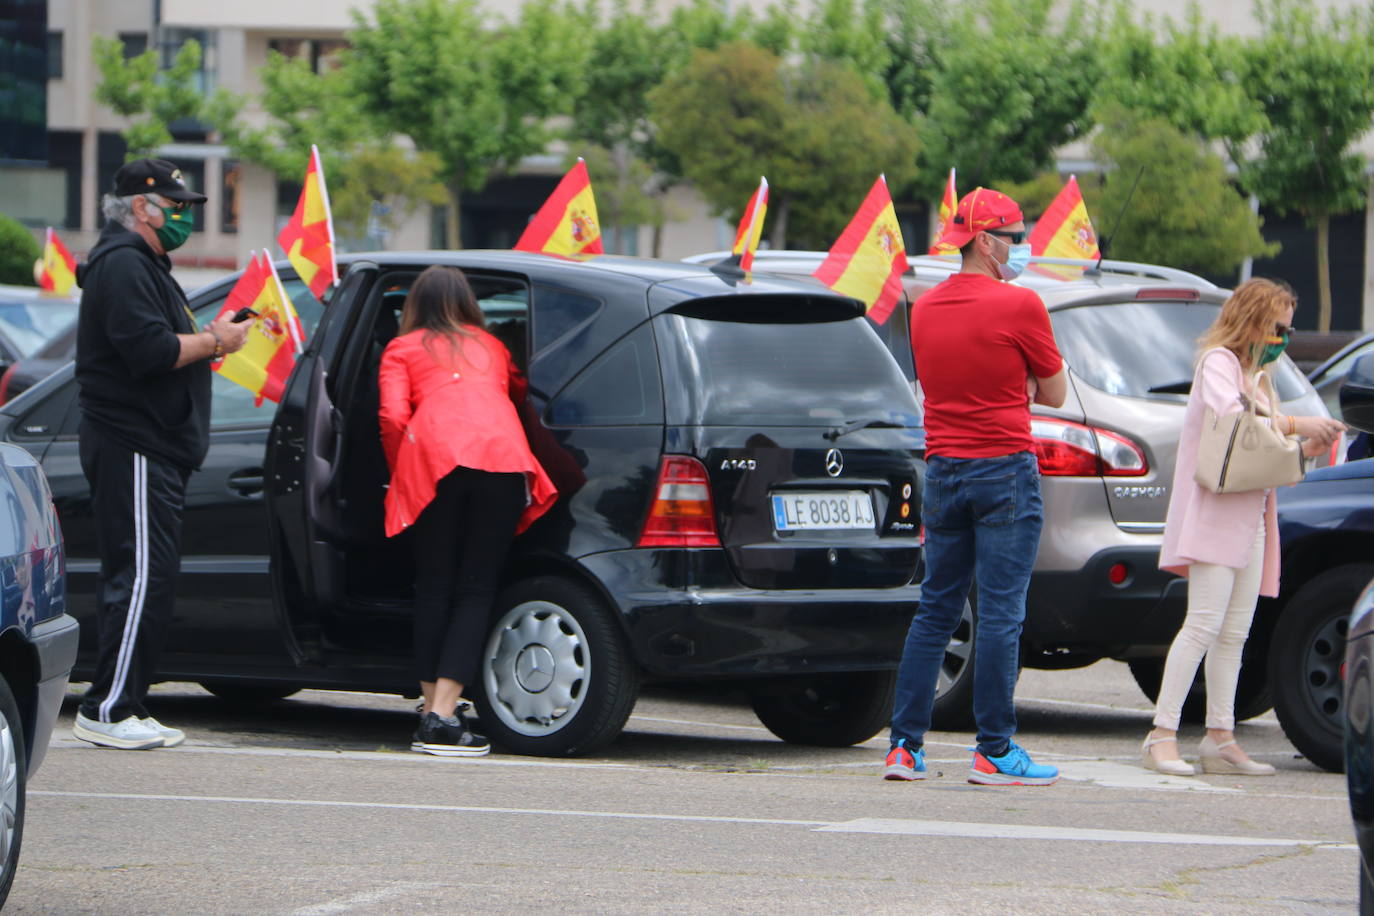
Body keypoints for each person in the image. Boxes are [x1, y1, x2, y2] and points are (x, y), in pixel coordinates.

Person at [884, 188, 1068, 786]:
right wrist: (1023, 384)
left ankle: (905, 748)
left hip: (944, 468)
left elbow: (939, 382)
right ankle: (993, 749)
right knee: (1000, 613)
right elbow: (1057, 393)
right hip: (1003, 468)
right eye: (1014, 237)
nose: (1021, 247)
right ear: (987, 241)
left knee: (936, 607)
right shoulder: (1022, 306)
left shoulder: (925, 306)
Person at [72, 158, 251, 750]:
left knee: (149, 575)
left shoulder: (142, 264)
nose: (184, 216)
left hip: (150, 443)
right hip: (135, 441)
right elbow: (149, 352)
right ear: (142, 208)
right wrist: (215, 341)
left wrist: (209, 340)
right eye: (176, 206)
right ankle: (109, 706)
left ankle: (126, 700)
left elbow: (159, 344)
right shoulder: (123, 263)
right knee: (140, 574)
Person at [1144, 278, 1345, 776]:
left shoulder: (1258, 374)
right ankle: (1162, 734)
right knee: (1204, 625)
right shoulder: (1220, 363)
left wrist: (1297, 436)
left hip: (1250, 515)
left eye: (1288, 328)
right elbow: (1237, 424)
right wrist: (1298, 432)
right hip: (1217, 512)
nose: (1283, 337)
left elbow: (1259, 429)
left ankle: (1220, 737)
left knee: (1234, 631)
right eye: (1278, 326)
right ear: (1253, 320)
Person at [378, 265, 557, 757]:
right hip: (501, 462)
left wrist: (405, 467)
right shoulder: (493, 346)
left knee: (434, 586)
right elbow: (518, 392)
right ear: (468, 303)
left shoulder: (402, 347)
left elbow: (393, 415)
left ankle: (433, 711)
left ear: (415, 303)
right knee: (476, 589)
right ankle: (441, 713)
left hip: (436, 464)